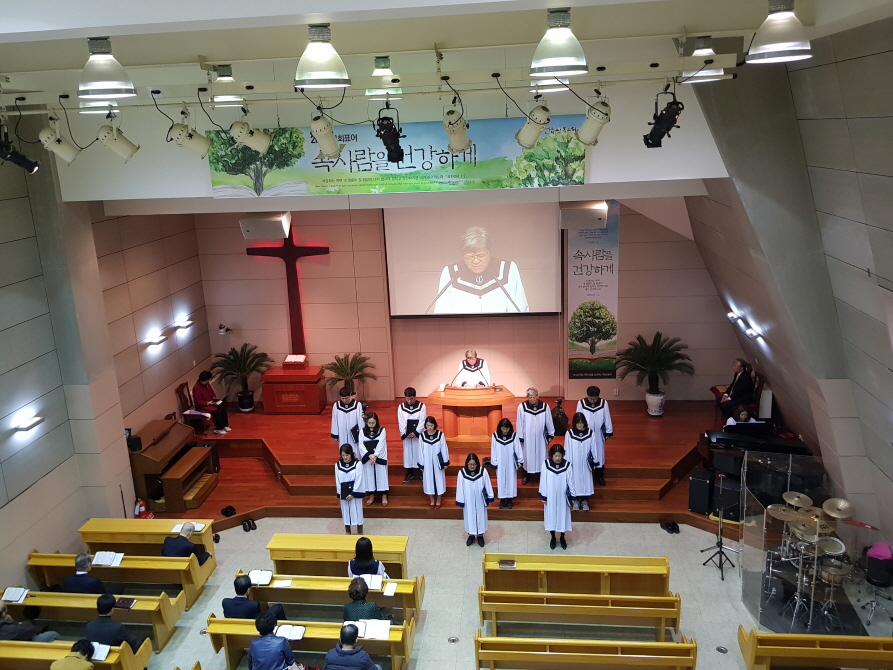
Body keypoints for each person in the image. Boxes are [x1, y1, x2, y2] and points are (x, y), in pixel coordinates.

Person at [430, 226, 529, 314]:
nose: (476, 261)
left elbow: (520, 309)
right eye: (470, 257)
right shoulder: (451, 273)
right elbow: (441, 312)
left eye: (480, 256)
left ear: (489, 251)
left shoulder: (508, 270)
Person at [84, 594, 148, 654]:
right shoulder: (118, 627)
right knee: (144, 638)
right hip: (116, 654)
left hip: (97, 654)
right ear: (112, 610)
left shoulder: (89, 626)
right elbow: (130, 642)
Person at [540, 444, 575, 550]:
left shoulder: (567, 465)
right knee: (551, 517)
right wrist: (544, 496)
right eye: (555, 456)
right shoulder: (546, 464)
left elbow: (571, 481)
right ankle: (553, 537)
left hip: (562, 497)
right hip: (550, 496)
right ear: (551, 455)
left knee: (562, 516)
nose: (558, 458)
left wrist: (573, 496)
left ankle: (562, 537)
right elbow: (543, 480)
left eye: (559, 455)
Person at [516, 388, 554, 485]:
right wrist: (520, 437)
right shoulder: (522, 407)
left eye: (534, 397)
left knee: (542, 455)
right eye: (530, 397)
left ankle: (542, 475)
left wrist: (550, 433)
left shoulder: (544, 406)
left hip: (541, 437)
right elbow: (519, 423)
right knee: (527, 456)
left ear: (537, 396)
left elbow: (549, 421)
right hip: (527, 437)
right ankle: (525, 474)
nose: (532, 399)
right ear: (527, 397)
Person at [576, 386, 612, 487]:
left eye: (594, 399)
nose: (592, 401)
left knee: (599, 454)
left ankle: (599, 475)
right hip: (586, 434)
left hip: (598, 435)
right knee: (586, 453)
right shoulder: (581, 403)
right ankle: (586, 476)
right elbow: (578, 418)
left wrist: (608, 431)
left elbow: (607, 417)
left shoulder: (603, 403)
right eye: (590, 398)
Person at [456, 453, 494, 547]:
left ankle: (480, 536)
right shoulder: (462, 473)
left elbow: (487, 484)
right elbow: (460, 488)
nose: (472, 466)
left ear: (477, 464)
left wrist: (490, 496)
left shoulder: (483, 471)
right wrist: (460, 500)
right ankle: (471, 535)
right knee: (469, 517)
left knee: (481, 517)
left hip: (480, 500)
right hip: (468, 501)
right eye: (470, 464)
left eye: (474, 464)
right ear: (467, 464)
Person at [565, 413, 598, 511]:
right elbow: (567, 449)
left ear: (584, 423)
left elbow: (594, 448)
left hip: (586, 463)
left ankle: (585, 500)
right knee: (574, 481)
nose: (580, 425)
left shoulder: (590, 433)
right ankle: (575, 500)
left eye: (581, 423)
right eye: (578, 423)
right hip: (574, 462)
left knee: (585, 480)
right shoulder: (569, 433)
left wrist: (595, 461)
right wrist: (568, 463)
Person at [490, 418, 523, 509]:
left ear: (510, 428)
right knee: (501, 480)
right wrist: (494, 461)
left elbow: (518, 448)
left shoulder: (514, 436)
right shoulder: (495, 436)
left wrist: (520, 460)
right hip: (500, 462)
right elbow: (493, 449)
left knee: (511, 479)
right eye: (503, 428)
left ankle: (509, 500)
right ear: (500, 428)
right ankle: (502, 499)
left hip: (510, 462)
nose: (505, 431)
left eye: (507, 429)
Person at [418, 416, 450, 508]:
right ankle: (431, 500)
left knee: (439, 480)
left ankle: (439, 499)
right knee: (428, 480)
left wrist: (445, 462)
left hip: (438, 462)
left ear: (434, 425)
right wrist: (421, 464)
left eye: (431, 425)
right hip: (427, 463)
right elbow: (420, 450)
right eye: (428, 425)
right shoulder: (422, 436)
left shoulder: (440, 435)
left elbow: (444, 448)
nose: (429, 428)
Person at [360, 412, 389, 507]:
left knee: (381, 474)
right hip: (368, 457)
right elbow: (361, 444)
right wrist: (369, 455)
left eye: (373, 423)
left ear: (377, 422)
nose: (371, 425)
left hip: (379, 456)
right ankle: (371, 496)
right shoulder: (362, 431)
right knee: (369, 476)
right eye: (369, 423)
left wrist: (375, 455)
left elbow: (381, 444)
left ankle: (384, 495)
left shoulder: (382, 430)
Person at [397, 387, 426, 483]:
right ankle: (409, 472)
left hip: (417, 435)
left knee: (419, 451)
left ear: (415, 397)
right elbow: (401, 421)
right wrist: (405, 433)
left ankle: (420, 472)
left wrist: (416, 432)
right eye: (407, 399)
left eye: (411, 399)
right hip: (407, 435)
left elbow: (422, 420)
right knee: (408, 453)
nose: (409, 401)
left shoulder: (421, 406)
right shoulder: (401, 407)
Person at [336, 444, 366, 535]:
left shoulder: (358, 464)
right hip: (344, 493)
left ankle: (360, 532)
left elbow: (359, 478)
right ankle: (348, 531)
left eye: (347, 455)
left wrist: (353, 493)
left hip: (354, 492)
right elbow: (337, 480)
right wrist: (342, 493)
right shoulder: (337, 465)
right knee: (346, 512)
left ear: (351, 454)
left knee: (357, 511)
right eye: (343, 455)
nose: (345, 457)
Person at [193, 370, 230, 435]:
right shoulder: (196, 388)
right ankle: (219, 429)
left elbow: (211, 391)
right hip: (202, 406)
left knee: (223, 408)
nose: (208, 382)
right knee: (217, 412)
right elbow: (197, 401)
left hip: (211, 401)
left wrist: (213, 397)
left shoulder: (206, 383)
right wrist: (207, 403)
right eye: (207, 380)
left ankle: (225, 425)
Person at [332, 387, 364, 454]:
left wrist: (362, 433)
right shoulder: (336, 406)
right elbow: (334, 420)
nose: (344, 400)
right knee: (343, 449)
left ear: (350, 395)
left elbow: (361, 420)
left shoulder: (357, 405)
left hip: (353, 433)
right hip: (342, 433)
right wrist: (335, 434)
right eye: (342, 398)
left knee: (355, 450)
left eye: (346, 398)